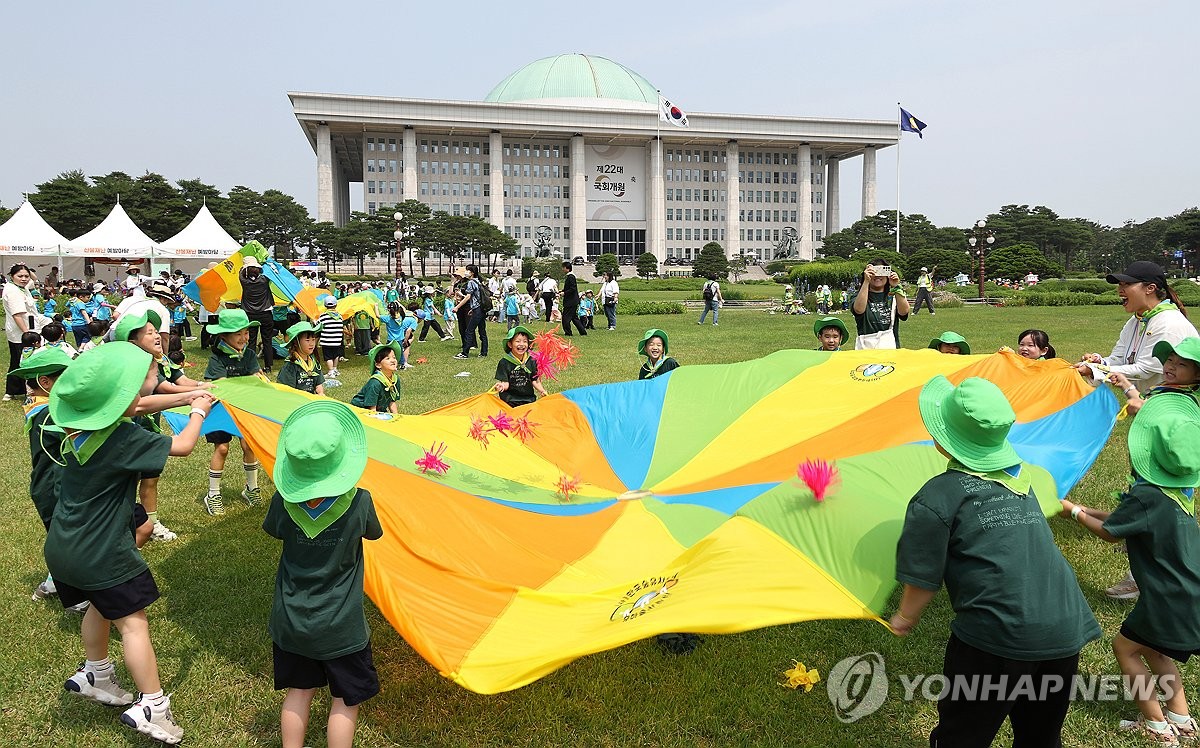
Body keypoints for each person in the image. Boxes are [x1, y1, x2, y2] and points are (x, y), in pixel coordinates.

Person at [890, 376, 1101, 746]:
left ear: (943, 441)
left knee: (963, 734)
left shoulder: (936, 497)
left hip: (996, 639)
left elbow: (923, 578)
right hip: (1064, 630)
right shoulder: (1024, 479)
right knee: (1041, 734)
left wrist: (905, 617)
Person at [46, 341, 214, 745]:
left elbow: (135, 406)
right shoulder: (122, 439)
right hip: (103, 552)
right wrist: (197, 411)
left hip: (63, 548)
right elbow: (185, 445)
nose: (156, 378)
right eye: (150, 376)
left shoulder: (80, 427)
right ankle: (153, 704)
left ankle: (95, 673)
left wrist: (189, 392)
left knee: (101, 605)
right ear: (123, 394)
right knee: (133, 622)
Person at [1060, 393, 1200, 742]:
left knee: (1125, 648)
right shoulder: (1178, 492)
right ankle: (1181, 720)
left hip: (1168, 596)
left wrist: (1073, 512)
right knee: (1155, 650)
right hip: (1188, 592)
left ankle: (1156, 727)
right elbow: (1129, 521)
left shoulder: (1146, 495)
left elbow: (1110, 533)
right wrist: (1084, 508)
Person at [264, 400, 381, 748]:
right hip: (341, 626)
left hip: (292, 620)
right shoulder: (360, 502)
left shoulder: (281, 503)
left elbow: (275, 530)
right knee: (345, 700)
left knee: (299, 692)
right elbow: (373, 533)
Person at [1075, 261, 1197, 392]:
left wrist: (1094, 369)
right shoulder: (1135, 320)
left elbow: (1145, 370)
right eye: (1120, 284)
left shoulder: (1169, 323)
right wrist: (1098, 362)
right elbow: (1119, 358)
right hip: (1148, 403)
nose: (1120, 290)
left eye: (1127, 284)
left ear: (1150, 288)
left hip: (1171, 406)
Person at [16, 348, 78, 605]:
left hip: (58, 484)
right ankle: (74, 597)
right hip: (53, 487)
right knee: (66, 539)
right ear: (46, 382)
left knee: (66, 537)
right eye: (66, 376)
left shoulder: (45, 406)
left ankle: (52, 584)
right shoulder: (47, 413)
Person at [202, 308, 263, 516]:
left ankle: (251, 488)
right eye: (238, 334)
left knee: (249, 445)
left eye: (246, 333)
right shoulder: (217, 357)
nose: (244, 338)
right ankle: (213, 494)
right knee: (222, 449)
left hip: (243, 407)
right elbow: (220, 385)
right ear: (224, 336)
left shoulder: (250, 355)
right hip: (221, 410)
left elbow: (257, 378)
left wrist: (260, 382)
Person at [852, 261, 910, 349]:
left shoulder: (893, 296)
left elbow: (904, 312)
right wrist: (866, 281)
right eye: (874, 272)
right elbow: (859, 310)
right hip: (866, 348)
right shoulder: (859, 296)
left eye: (882, 272)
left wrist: (896, 286)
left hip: (889, 347)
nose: (878, 276)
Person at [6, 264, 41, 400]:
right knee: (22, 362)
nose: (24, 278)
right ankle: (19, 391)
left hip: (24, 329)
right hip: (21, 332)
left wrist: (26, 267)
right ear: (12, 276)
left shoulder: (21, 287)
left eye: (26, 276)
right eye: (20, 276)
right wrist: (27, 334)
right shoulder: (14, 291)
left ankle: (12, 391)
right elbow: (17, 315)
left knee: (16, 361)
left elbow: (34, 279)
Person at [239, 256, 277, 372]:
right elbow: (268, 271)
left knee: (251, 340)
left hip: (250, 314)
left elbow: (241, 272)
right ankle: (268, 366)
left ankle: (251, 365)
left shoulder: (244, 281)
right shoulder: (264, 280)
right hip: (266, 313)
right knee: (267, 340)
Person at [495, 325, 547, 407]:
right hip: (510, 401)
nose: (522, 344)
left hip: (528, 400)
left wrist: (542, 390)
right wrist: (501, 386)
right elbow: (506, 383)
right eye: (518, 341)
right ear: (510, 344)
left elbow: (535, 380)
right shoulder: (504, 362)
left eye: (525, 341)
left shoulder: (531, 360)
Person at [351, 342, 402, 414]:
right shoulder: (375, 382)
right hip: (360, 411)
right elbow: (371, 408)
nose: (393, 360)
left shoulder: (395, 380)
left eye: (394, 357)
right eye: (388, 358)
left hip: (379, 410)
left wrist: (397, 418)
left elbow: (392, 402)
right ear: (378, 365)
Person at [278, 322, 326, 395]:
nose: (312, 344)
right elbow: (288, 391)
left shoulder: (314, 363)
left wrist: (320, 393)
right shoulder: (290, 365)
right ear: (296, 343)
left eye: (313, 340)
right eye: (307, 340)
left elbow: (318, 385)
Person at [454, 265, 488, 360]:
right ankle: (484, 352)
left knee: (469, 331)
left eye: (468, 270)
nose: (466, 272)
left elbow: (468, 297)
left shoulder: (471, 282)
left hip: (477, 310)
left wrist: (457, 307)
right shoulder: (478, 281)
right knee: (482, 332)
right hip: (481, 309)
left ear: (472, 272)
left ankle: (465, 353)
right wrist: (472, 309)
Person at [317, 297, 345, 385]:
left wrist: (314, 321)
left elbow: (318, 325)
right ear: (336, 305)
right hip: (337, 340)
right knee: (335, 355)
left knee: (328, 357)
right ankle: (335, 368)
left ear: (325, 305)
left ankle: (330, 371)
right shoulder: (339, 316)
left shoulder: (323, 316)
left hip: (327, 340)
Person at [559, 261, 587, 336]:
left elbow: (572, 289)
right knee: (574, 318)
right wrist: (562, 290)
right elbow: (570, 288)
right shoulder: (570, 277)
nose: (562, 269)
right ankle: (583, 332)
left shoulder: (571, 277)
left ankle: (568, 333)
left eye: (563, 267)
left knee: (565, 318)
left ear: (567, 268)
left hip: (570, 302)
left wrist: (564, 293)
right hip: (573, 301)